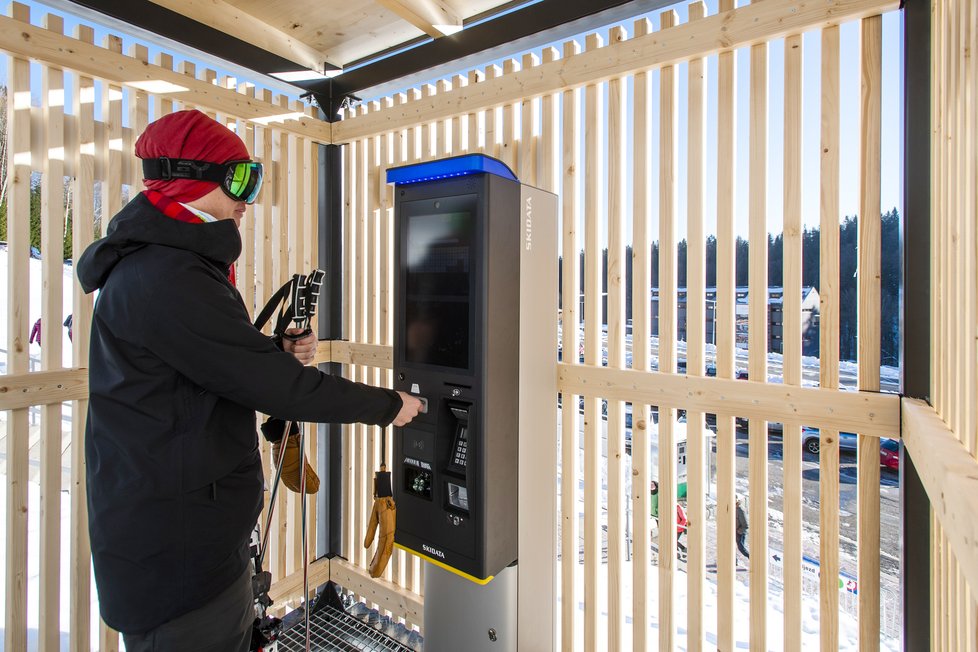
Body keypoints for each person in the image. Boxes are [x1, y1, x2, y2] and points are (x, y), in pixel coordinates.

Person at [76, 109, 423, 651]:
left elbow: (207, 364)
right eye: (238, 179)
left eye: (253, 179)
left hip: (184, 537)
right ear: (187, 179)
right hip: (180, 561)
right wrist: (388, 406)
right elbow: (272, 386)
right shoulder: (167, 276)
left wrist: (274, 351)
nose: (248, 197)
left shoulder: (168, 266)